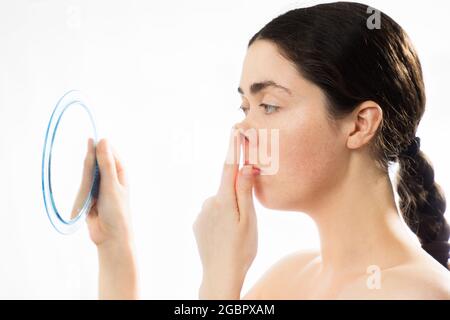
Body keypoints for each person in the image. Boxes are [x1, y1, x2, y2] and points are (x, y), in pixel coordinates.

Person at [86, 2, 450, 299]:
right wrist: (116, 252)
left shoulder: (416, 292)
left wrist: (219, 281)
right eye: (245, 107)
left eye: (270, 105)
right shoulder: (289, 277)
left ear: (360, 124)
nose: (242, 131)